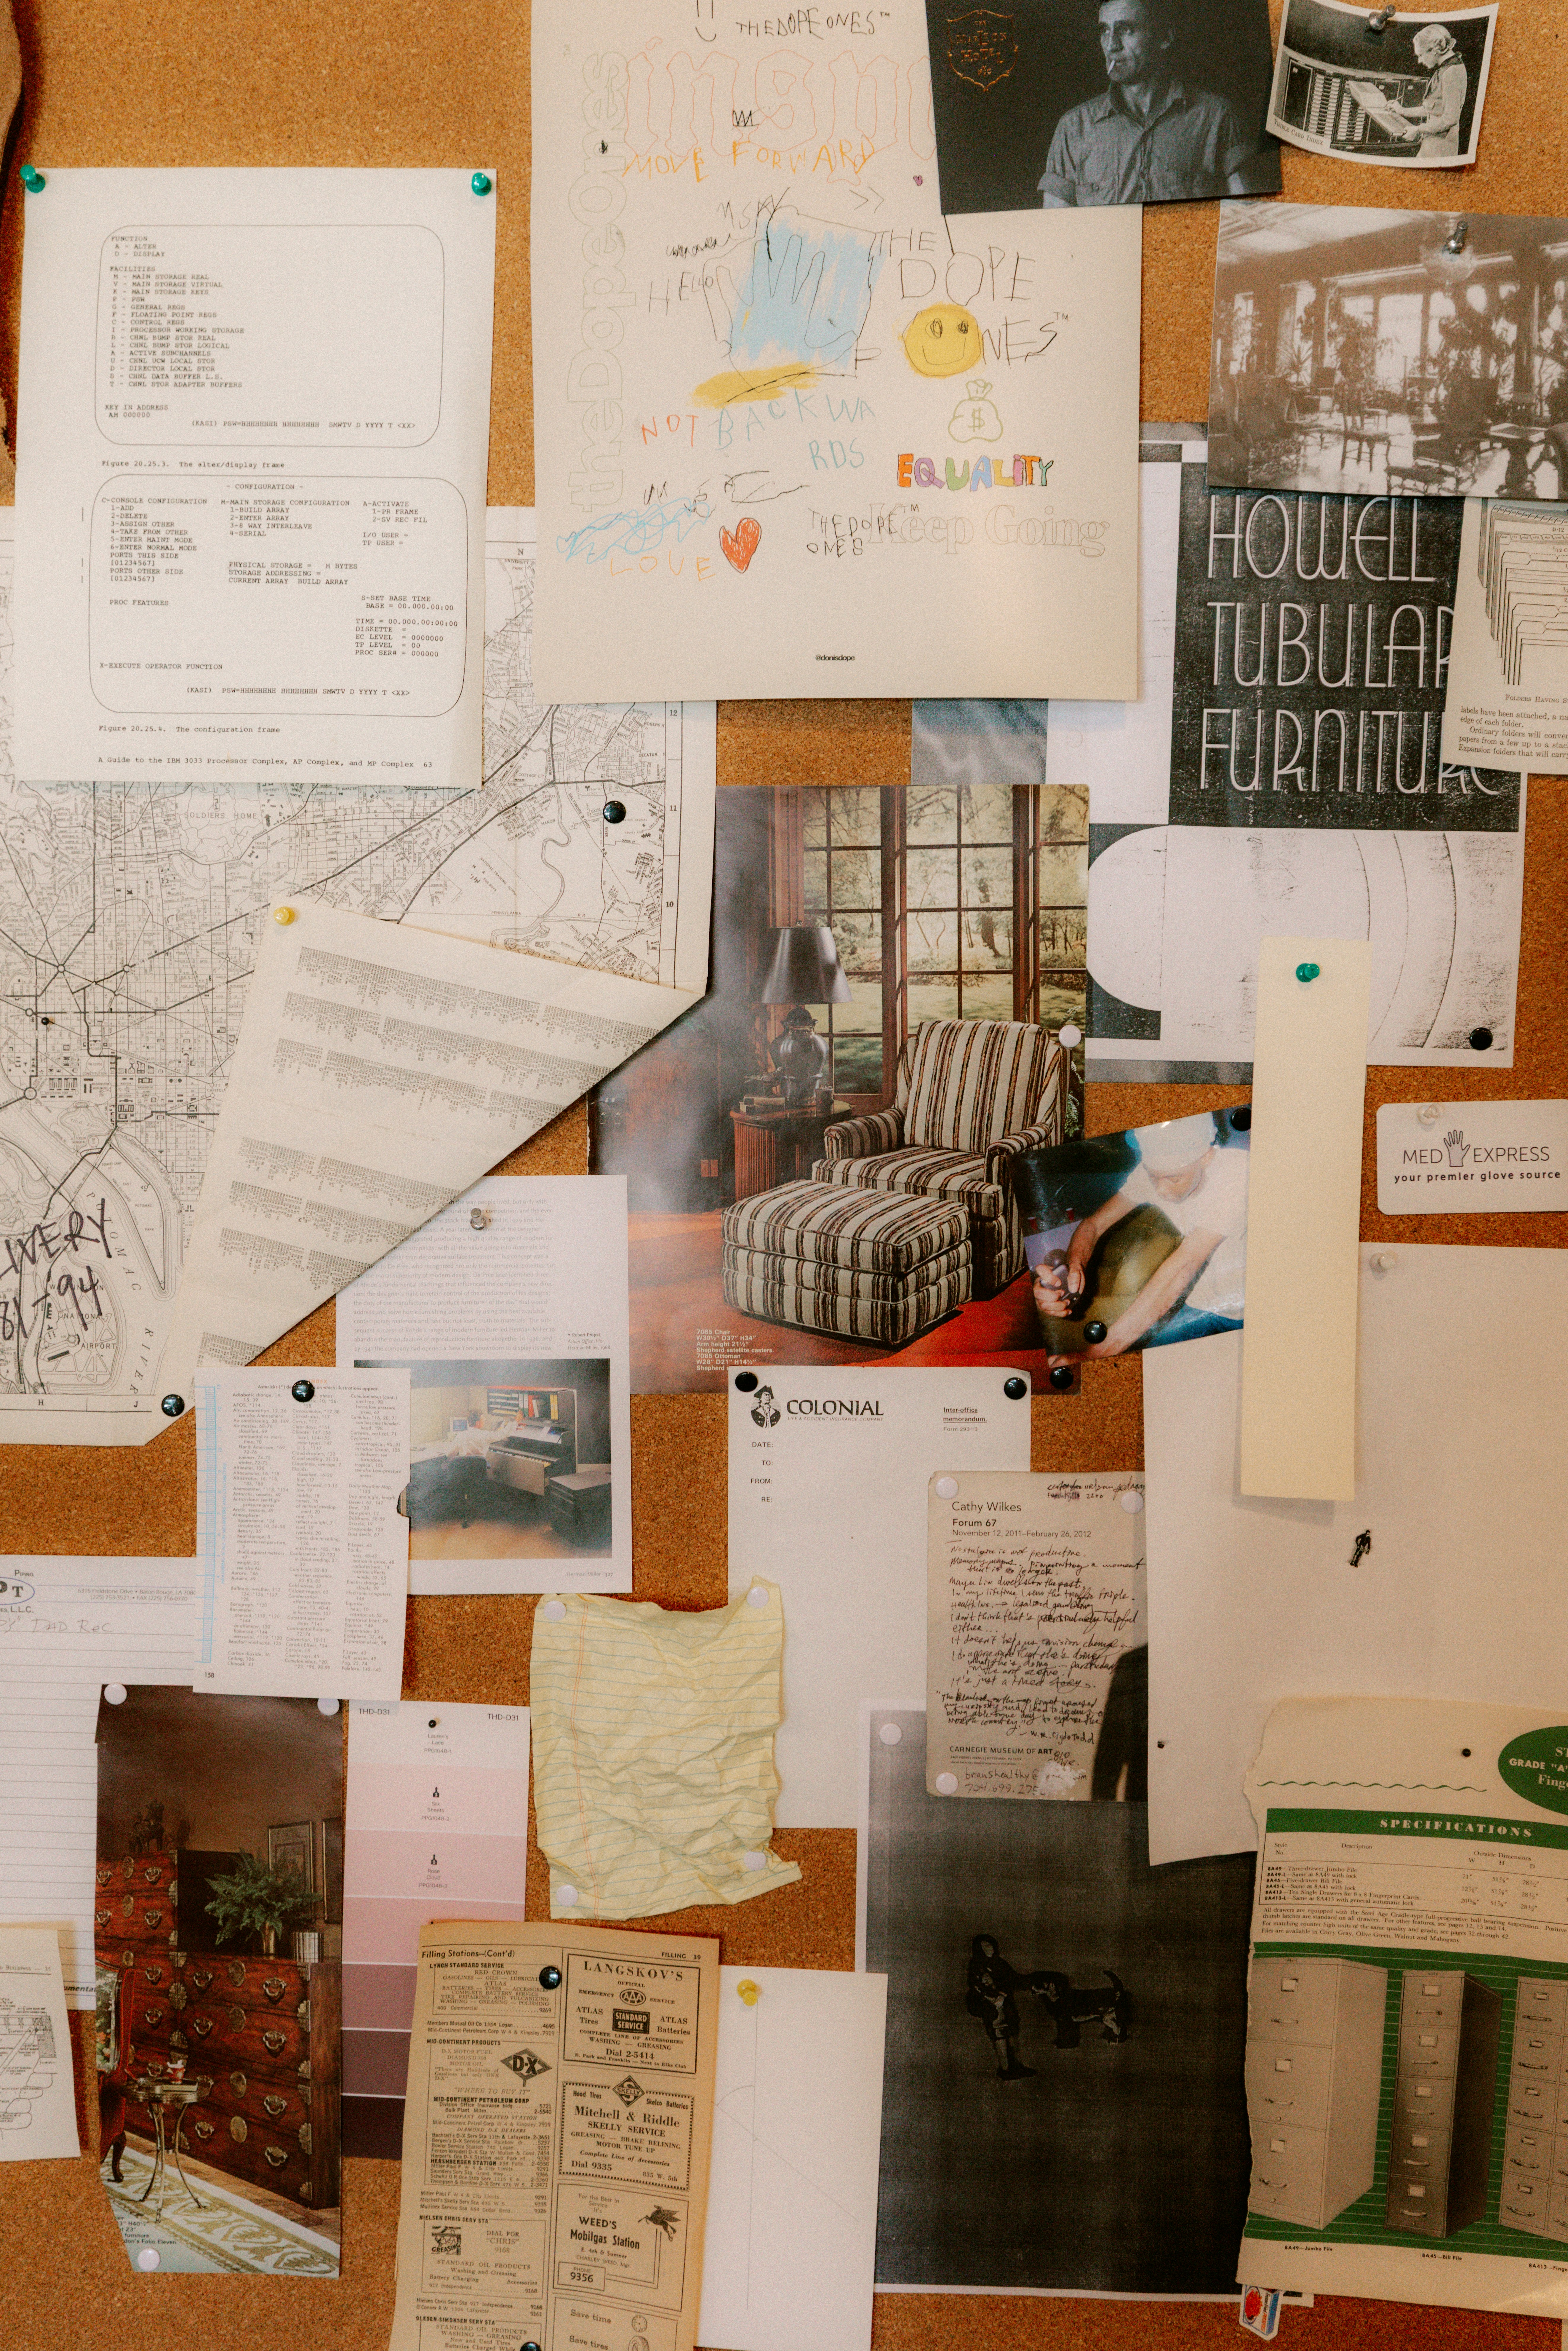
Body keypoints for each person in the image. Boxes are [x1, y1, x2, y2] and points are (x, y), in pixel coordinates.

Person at [1031, 1112, 1247, 1356]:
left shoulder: (1238, 1173)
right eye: (1153, 1176)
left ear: (1207, 1157)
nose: (1161, 1190)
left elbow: (1185, 1264)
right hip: (1200, 1303)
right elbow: (1093, 1226)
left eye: (1174, 1178)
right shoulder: (1157, 1171)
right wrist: (1074, 1268)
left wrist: (1095, 1354)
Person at [1039, 0, 1270, 207]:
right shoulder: (1073, 128)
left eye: (1126, 30)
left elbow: (1249, 221)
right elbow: (1057, 233)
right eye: (1105, 30)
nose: (1111, 46)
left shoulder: (1218, 117)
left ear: (1165, 37)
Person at [1383, 24, 1468, 161]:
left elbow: (1450, 119)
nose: (1420, 61)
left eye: (1421, 55)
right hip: (1434, 143)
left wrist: (1418, 130)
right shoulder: (1446, 69)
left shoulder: (1452, 72)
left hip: (1441, 148)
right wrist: (1402, 111)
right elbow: (1433, 110)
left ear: (1434, 50)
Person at [965, 1934, 1037, 2080]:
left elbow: (1013, 1979)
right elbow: (976, 1986)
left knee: (1012, 2032)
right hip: (992, 2007)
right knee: (999, 2034)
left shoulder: (1000, 1963)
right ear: (980, 1950)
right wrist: (993, 1997)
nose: (991, 1949)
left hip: (1007, 2005)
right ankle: (1006, 2069)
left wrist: (1032, 1983)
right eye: (987, 1947)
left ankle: (1016, 2066)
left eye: (992, 1946)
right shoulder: (976, 1965)